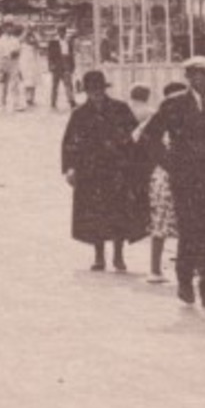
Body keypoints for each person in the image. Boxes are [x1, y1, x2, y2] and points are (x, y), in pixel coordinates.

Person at [142, 57, 205, 310]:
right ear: (190, 76)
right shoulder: (174, 105)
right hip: (187, 180)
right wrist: (170, 163)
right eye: (204, 74)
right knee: (190, 231)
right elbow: (150, 137)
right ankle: (185, 283)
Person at [60, 70, 143, 271]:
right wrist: (70, 168)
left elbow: (134, 134)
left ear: (104, 89)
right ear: (86, 92)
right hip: (90, 170)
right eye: (91, 90)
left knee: (118, 211)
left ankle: (118, 256)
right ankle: (99, 256)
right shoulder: (79, 114)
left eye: (98, 89)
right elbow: (69, 142)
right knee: (95, 213)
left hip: (117, 168)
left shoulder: (120, 108)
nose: (95, 93)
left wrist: (131, 159)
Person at [139, 82, 185, 284]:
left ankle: (188, 268)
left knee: (188, 223)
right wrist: (166, 162)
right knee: (161, 221)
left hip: (189, 175)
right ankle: (155, 269)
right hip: (165, 176)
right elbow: (143, 140)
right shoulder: (159, 119)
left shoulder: (192, 116)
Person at [47, 28, 77, 110]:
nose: (62, 33)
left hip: (66, 64)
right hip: (57, 65)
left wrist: (72, 65)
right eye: (60, 32)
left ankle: (71, 101)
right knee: (55, 85)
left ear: (65, 32)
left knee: (68, 84)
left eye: (63, 32)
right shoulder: (53, 42)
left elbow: (70, 55)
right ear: (58, 32)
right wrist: (51, 65)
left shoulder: (68, 42)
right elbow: (50, 55)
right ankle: (53, 102)